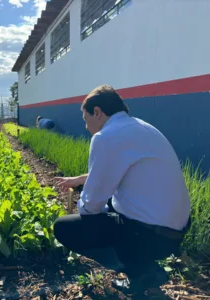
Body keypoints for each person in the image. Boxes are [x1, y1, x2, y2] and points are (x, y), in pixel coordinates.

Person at [53, 85, 191, 287]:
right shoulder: (140, 126)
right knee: (111, 201)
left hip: (150, 238)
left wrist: (85, 203)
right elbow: (127, 170)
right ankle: (143, 264)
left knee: (64, 228)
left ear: (97, 112)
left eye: (86, 119)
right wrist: (81, 180)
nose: (86, 126)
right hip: (174, 232)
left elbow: (91, 207)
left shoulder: (105, 137)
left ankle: (140, 270)